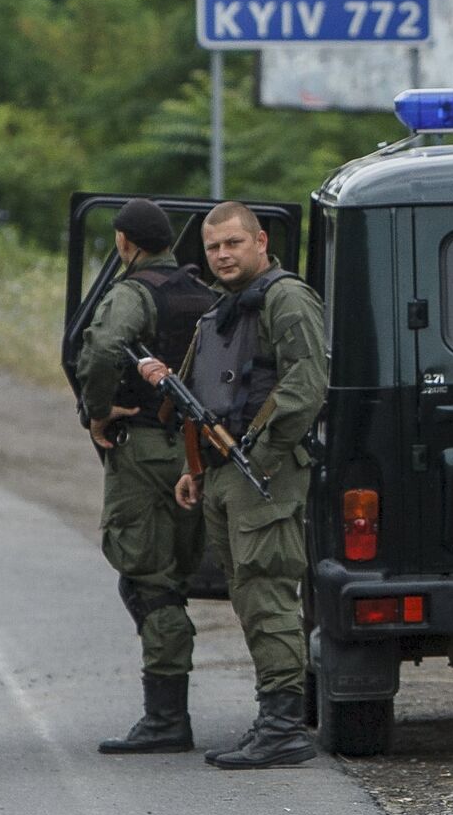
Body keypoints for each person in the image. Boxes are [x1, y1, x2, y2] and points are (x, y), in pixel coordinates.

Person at [138, 201, 327, 769]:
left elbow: (305, 386)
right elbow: (205, 395)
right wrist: (195, 468)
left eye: (233, 244)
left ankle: (284, 728)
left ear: (261, 242)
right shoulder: (223, 308)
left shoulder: (286, 298)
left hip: (262, 472)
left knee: (267, 594)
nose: (222, 255)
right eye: (213, 247)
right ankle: (272, 720)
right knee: (247, 594)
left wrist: (259, 457)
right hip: (224, 472)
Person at [76, 198, 217, 754]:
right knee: (176, 574)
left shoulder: (133, 293)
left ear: (125, 243)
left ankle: (166, 720)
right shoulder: (205, 294)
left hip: (147, 449)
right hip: (198, 452)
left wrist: (98, 411)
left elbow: (103, 348)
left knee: (148, 581)